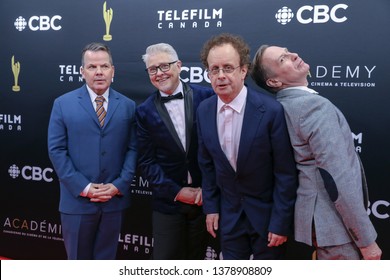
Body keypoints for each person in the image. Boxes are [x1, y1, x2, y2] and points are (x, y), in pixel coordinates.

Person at [250, 45, 382, 260]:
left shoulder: (282, 107)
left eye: (287, 51)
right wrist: (366, 241)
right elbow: (337, 178)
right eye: (283, 59)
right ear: (274, 82)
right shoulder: (312, 107)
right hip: (336, 226)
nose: (293, 55)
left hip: (320, 223)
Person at [197, 33, 298, 260]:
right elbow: (207, 166)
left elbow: (285, 174)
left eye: (228, 68)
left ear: (243, 70)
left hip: (267, 220)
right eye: (214, 69)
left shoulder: (271, 111)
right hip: (229, 218)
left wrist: (280, 222)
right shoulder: (204, 110)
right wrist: (211, 207)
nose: (221, 76)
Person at [47, 42, 138, 260]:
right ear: (82, 72)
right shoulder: (63, 104)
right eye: (92, 67)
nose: (99, 72)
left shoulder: (128, 106)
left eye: (104, 66)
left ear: (112, 71)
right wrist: (85, 187)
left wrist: (118, 186)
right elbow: (56, 150)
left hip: (113, 202)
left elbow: (134, 149)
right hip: (77, 201)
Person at [136, 43, 214, 259]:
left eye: (164, 66)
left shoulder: (207, 97)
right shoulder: (144, 111)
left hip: (205, 201)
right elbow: (146, 162)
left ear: (179, 65)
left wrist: (206, 191)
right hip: (167, 204)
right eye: (153, 69)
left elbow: (220, 151)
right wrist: (178, 192)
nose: (159, 73)